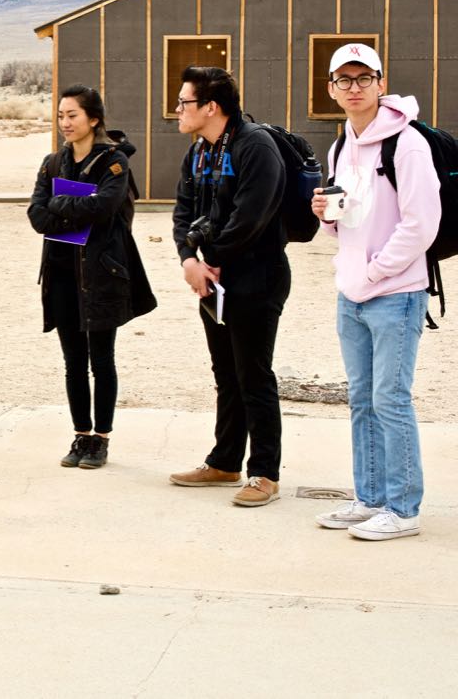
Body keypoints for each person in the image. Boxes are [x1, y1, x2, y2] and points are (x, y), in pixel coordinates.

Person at [310, 43, 439, 540]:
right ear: (331, 89)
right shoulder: (340, 146)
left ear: (381, 83)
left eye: (364, 78)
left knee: (390, 399)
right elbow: (348, 223)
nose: (355, 88)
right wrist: (327, 217)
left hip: (397, 293)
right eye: (344, 79)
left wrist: (377, 271)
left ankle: (403, 510)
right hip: (353, 293)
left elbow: (421, 224)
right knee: (362, 399)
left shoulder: (407, 144)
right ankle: (370, 499)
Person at [169, 66, 290, 507]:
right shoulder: (198, 152)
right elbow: (183, 211)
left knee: (254, 374)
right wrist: (189, 260)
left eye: (184, 102)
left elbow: (250, 216)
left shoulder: (255, 146)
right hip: (213, 280)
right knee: (226, 374)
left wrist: (212, 260)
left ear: (211, 107)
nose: (177, 110)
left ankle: (265, 473)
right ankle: (224, 461)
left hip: (257, 275)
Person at [28, 85, 156, 469]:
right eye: (61, 116)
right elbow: (37, 215)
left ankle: (101, 438)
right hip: (62, 275)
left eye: (73, 115)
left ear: (94, 119)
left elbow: (105, 207)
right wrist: (74, 207)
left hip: (101, 274)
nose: (65, 123)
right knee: (73, 362)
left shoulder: (113, 162)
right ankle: (81, 434)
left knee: (101, 360)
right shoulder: (53, 163)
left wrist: (60, 203)